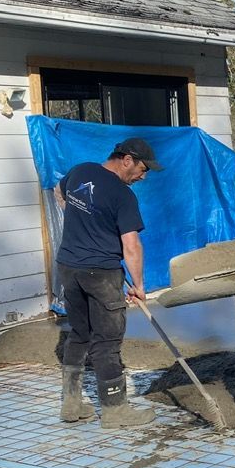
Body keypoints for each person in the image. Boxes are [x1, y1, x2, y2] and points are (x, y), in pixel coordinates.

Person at [53, 137, 161, 429]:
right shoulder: (122, 195)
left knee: (79, 333)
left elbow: (57, 191)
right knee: (108, 342)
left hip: (69, 268)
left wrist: (79, 223)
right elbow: (132, 246)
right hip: (100, 273)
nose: (143, 176)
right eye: (142, 168)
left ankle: (71, 404)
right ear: (127, 160)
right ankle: (115, 411)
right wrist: (138, 285)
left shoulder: (80, 171)